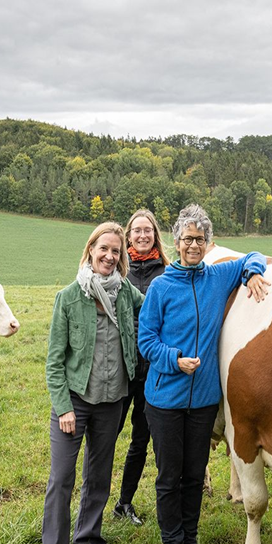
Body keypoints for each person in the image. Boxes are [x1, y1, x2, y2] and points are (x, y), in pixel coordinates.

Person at [138, 203, 270, 544]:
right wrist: (174, 359)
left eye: (200, 239)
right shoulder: (161, 286)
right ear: (176, 242)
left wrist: (254, 271)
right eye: (187, 239)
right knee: (169, 476)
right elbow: (145, 340)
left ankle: (192, 543)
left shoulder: (217, 277)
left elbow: (254, 255)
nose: (193, 245)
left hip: (204, 402)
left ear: (208, 243)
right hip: (164, 399)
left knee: (195, 475)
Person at [29, 222, 146, 544]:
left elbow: (160, 304)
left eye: (116, 251)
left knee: (98, 475)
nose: (110, 256)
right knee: (62, 477)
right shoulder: (68, 297)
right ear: (91, 251)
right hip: (75, 402)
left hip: (112, 402)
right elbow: (54, 362)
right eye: (104, 249)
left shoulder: (126, 294)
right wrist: (63, 406)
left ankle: (89, 540)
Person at [110, 209, 170, 527]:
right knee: (107, 435)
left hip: (153, 371)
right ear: (128, 235)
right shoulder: (119, 269)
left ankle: (124, 503)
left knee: (140, 438)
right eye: (137, 230)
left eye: (148, 230)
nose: (143, 235)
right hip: (121, 367)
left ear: (155, 234)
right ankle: (90, 501)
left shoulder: (167, 272)